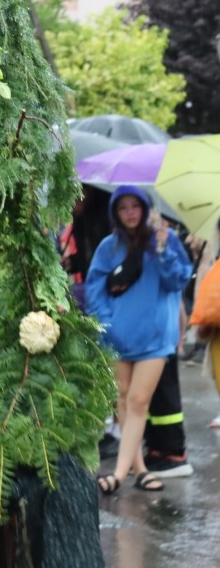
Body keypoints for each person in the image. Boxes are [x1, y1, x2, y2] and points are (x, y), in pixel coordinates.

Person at [85, 185, 191, 495]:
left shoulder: (164, 240)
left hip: (155, 339)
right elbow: (95, 291)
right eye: (123, 207)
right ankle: (139, 469)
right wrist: (108, 325)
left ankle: (119, 474)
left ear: (145, 209)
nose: (130, 213)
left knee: (138, 401)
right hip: (119, 338)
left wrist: (163, 248)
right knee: (123, 400)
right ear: (115, 212)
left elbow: (178, 280)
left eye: (135, 206)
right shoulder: (109, 247)